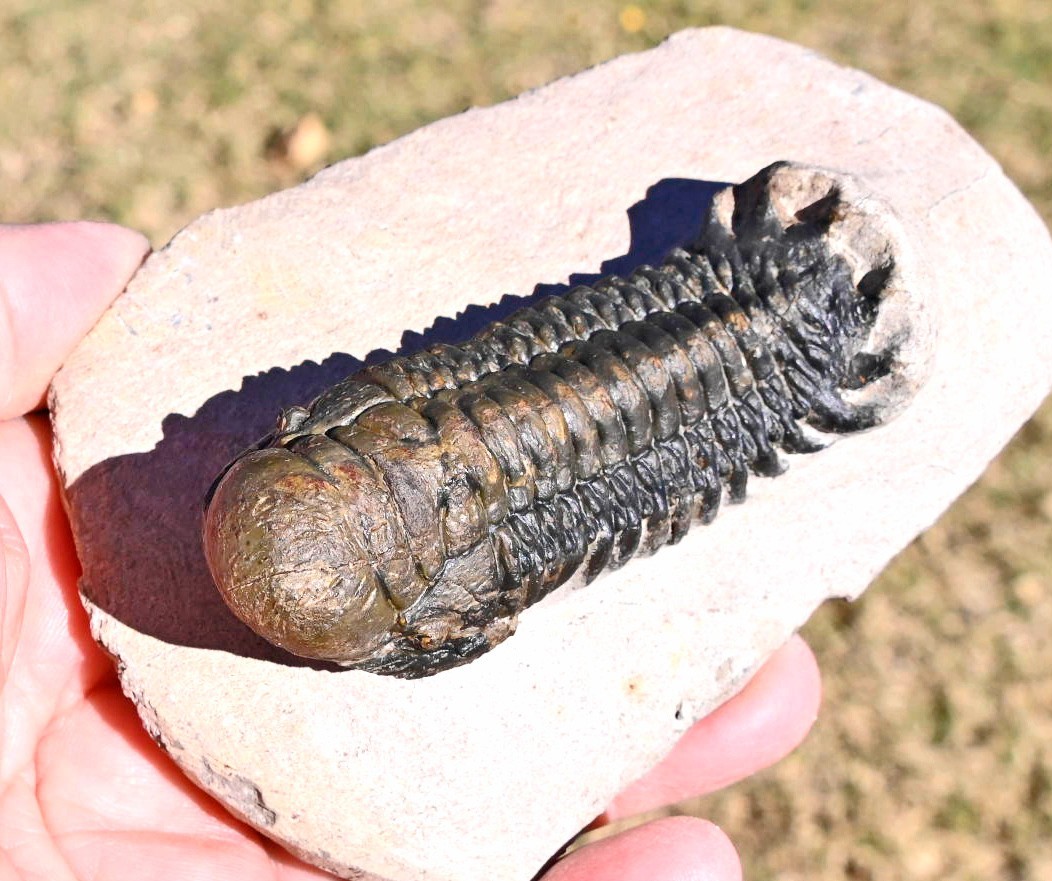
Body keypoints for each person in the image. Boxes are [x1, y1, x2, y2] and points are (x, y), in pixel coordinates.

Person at [0, 221, 822, 880]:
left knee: (617, 363)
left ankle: (786, 303)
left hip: (698, 335)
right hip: (717, 402)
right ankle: (801, 331)